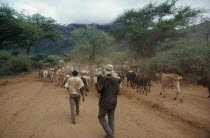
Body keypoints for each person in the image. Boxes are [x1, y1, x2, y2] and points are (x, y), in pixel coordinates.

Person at [96, 64, 120, 138]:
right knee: (111, 117)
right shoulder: (116, 80)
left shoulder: (103, 79)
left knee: (101, 117)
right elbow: (118, 91)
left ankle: (110, 133)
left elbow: (99, 90)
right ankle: (110, 133)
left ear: (105, 70)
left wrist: (97, 83)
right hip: (114, 101)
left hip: (105, 102)